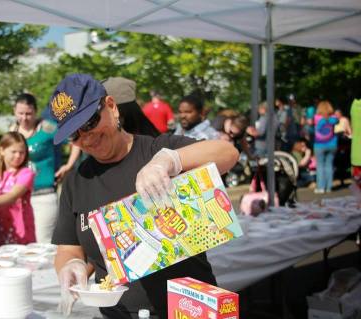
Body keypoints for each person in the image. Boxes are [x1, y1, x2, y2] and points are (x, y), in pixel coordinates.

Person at [49, 74, 238, 319]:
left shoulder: (156, 149)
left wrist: (170, 160)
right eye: (75, 135)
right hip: (119, 313)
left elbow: (227, 153)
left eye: (90, 122)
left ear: (111, 107)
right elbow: (69, 247)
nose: (87, 138)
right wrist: (70, 266)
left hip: (190, 309)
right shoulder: (76, 181)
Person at [9, 93, 80, 243]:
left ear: (35, 111)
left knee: (43, 241)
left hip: (44, 194)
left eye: (29, 113)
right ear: (14, 111)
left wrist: (68, 165)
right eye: (20, 113)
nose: (24, 118)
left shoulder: (48, 128)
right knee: (20, 242)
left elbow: (74, 141)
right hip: (17, 195)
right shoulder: (12, 130)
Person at [313, 100, 339, 194]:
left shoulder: (316, 118)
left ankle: (321, 187)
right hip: (332, 144)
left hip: (319, 145)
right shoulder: (334, 119)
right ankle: (329, 187)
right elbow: (337, 119)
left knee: (320, 166)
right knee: (329, 165)